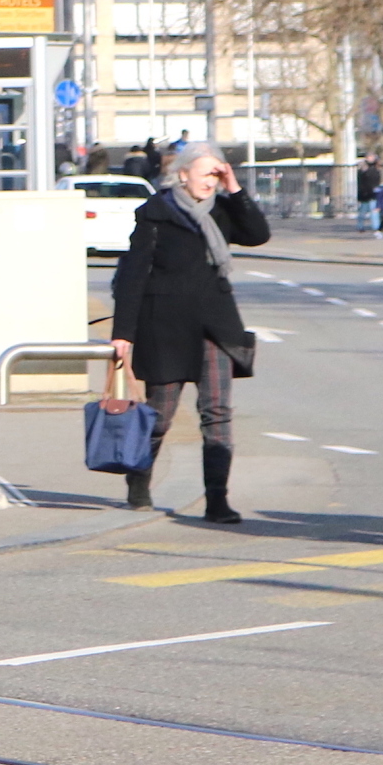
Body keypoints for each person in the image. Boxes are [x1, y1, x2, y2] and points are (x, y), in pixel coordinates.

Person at [112, 142, 270, 522]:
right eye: (206, 175)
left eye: (216, 175)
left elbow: (257, 234)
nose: (210, 182)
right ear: (183, 174)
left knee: (216, 412)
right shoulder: (155, 213)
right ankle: (139, 479)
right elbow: (134, 275)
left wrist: (234, 187)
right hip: (164, 327)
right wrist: (123, 334)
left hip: (215, 326)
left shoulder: (223, 211)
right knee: (160, 415)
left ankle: (217, 499)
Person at [355, 154, 383, 232]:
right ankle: (360, 226)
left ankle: (376, 227)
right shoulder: (363, 168)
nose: (371, 158)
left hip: (373, 193)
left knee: (374, 211)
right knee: (362, 212)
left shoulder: (377, 167)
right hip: (364, 193)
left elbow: (378, 180)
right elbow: (360, 181)